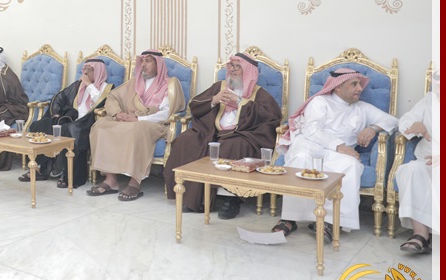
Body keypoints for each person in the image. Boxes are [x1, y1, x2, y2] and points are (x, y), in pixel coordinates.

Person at [272, 68, 398, 240]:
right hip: (311, 146)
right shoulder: (320, 102)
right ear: (338, 86)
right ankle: (290, 218)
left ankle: (330, 221)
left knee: (351, 165)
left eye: (360, 84)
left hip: (338, 153)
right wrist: (339, 146)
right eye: (354, 84)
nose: (360, 88)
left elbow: (393, 121)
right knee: (300, 158)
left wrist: (373, 128)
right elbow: (313, 130)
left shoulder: (362, 108)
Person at [163, 52, 282, 216]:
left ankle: (231, 199)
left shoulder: (259, 94)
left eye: (237, 67)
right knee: (186, 140)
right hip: (211, 131)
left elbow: (271, 117)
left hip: (241, 134)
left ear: (248, 72)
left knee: (233, 146)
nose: (232, 70)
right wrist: (214, 100)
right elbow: (195, 105)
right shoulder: (220, 87)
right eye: (231, 66)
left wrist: (240, 103)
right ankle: (193, 197)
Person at [88, 50, 184, 200]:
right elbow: (112, 97)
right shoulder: (134, 82)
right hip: (129, 120)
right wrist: (117, 114)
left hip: (153, 123)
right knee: (101, 126)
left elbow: (166, 113)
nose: (143, 65)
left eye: (148, 61)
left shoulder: (170, 84)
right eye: (142, 61)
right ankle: (111, 180)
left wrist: (138, 119)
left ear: (158, 64)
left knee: (137, 129)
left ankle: (135, 182)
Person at [19, 58, 112, 188]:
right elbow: (60, 96)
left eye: (89, 70)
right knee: (39, 125)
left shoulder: (106, 88)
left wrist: (89, 85)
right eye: (84, 69)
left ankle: (67, 173)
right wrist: (56, 112)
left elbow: (101, 102)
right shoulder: (78, 85)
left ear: (98, 71)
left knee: (68, 130)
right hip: (72, 118)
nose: (85, 73)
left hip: (88, 122)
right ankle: (42, 168)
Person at [394, 70, 438, 253]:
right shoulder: (429, 99)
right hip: (427, 160)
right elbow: (406, 119)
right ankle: (420, 235)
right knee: (409, 170)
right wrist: (415, 126)